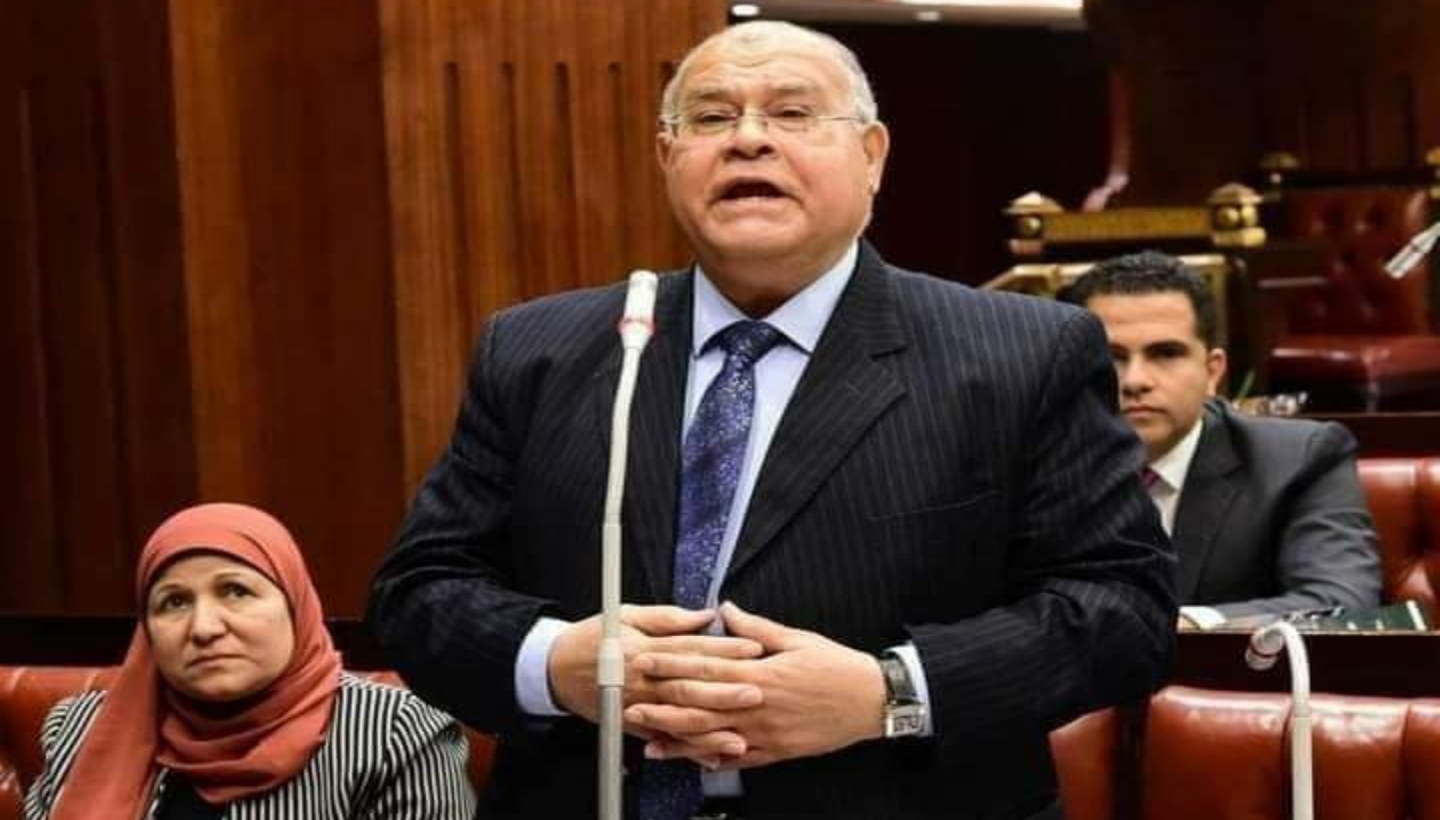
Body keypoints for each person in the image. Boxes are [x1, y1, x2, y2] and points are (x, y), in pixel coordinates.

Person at [368, 20, 1175, 820]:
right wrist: (555, 663)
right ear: (668, 158)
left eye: (793, 113)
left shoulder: (1021, 353)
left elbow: (1122, 611)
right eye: (712, 117)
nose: (748, 139)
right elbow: (420, 592)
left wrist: (889, 691)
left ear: (872, 156)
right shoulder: (540, 350)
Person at [24, 503, 476, 820]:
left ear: (295, 607)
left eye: (235, 592)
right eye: (174, 602)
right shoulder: (81, 730)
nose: (204, 627)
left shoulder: (394, 732)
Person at [1060, 250, 1381, 628]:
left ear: (1212, 372)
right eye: (1111, 357)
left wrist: (1193, 625)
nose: (1135, 381)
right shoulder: (1029, 461)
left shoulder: (1299, 460)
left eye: (1165, 353)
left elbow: (1341, 602)